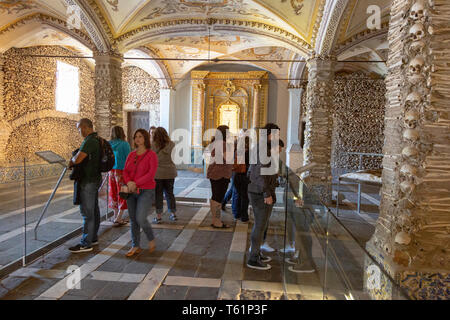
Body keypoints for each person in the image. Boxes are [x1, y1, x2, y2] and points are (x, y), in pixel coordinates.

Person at [246, 123, 280, 270]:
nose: (278, 137)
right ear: (269, 134)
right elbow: (260, 173)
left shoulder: (261, 148)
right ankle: (253, 259)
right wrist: (266, 192)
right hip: (260, 193)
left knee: (262, 225)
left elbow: (250, 172)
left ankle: (257, 253)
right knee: (260, 225)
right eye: (276, 134)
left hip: (259, 190)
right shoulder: (263, 149)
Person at [122, 129, 158, 257]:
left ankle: (150, 237)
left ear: (145, 139)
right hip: (131, 190)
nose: (138, 139)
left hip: (146, 190)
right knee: (133, 220)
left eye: (140, 136)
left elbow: (151, 174)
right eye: (136, 136)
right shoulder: (131, 155)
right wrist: (129, 182)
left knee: (141, 218)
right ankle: (135, 246)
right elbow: (125, 171)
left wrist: (135, 183)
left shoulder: (151, 155)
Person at [68, 118, 101, 253]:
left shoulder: (90, 141)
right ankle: (93, 238)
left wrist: (72, 160)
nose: (79, 131)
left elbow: (78, 158)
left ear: (86, 127)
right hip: (94, 179)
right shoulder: (97, 139)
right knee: (93, 210)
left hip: (88, 180)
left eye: (79, 128)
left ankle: (85, 243)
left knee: (87, 213)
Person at [206, 125, 233, 228]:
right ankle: (217, 222)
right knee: (218, 199)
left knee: (215, 197)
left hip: (214, 173)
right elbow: (228, 158)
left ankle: (215, 220)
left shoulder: (215, 143)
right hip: (221, 174)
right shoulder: (223, 144)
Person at [261, 139, 285, 252]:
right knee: (262, 220)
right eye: (279, 149)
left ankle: (261, 244)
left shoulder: (275, 158)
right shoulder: (266, 157)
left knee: (265, 220)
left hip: (269, 191)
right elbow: (262, 177)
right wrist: (267, 194)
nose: (280, 151)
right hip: (265, 193)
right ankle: (258, 246)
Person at [151, 127, 178, 224]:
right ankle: (173, 214)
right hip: (170, 172)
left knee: (158, 195)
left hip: (157, 174)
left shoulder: (152, 145)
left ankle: (158, 217)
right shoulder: (172, 144)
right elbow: (175, 159)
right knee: (170, 193)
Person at [108, 126, 131, 227]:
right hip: (122, 172)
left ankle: (114, 216)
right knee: (123, 193)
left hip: (111, 171)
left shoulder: (109, 144)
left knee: (113, 192)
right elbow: (129, 159)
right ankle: (119, 217)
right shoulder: (125, 144)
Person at [233, 130, 251, 223]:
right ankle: (244, 216)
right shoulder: (248, 153)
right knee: (244, 197)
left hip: (236, 175)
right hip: (244, 176)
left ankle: (236, 214)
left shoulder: (236, 150)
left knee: (238, 195)